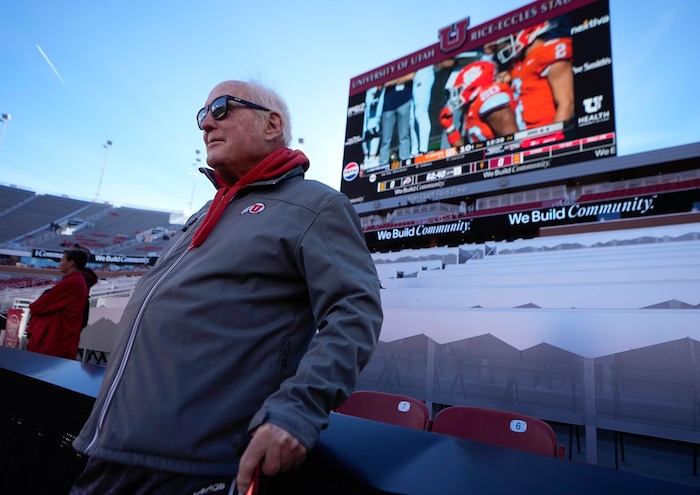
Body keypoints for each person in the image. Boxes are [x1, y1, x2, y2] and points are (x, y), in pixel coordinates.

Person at [70, 80, 383, 495]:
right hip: (111, 450)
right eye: (202, 116)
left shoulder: (316, 204)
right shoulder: (205, 211)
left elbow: (355, 310)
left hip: (196, 467)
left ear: (272, 124)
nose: (206, 125)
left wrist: (298, 409)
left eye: (220, 108)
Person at [495, 19, 574, 130]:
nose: (508, 45)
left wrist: (553, 139)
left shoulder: (549, 52)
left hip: (545, 132)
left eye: (511, 40)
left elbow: (567, 103)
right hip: (525, 135)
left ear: (528, 33)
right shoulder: (518, 62)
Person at [25, 246, 92, 359]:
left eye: (62, 260)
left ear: (71, 263)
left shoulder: (71, 282)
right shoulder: (76, 281)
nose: (59, 263)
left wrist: (35, 304)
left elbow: (37, 307)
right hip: (60, 339)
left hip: (54, 341)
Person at [438, 60, 518, 147]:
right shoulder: (474, 106)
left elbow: (513, 145)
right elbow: (467, 149)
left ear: (472, 86)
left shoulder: (491, 100)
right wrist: (450, 129)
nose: (458, 95)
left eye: (460, 89)